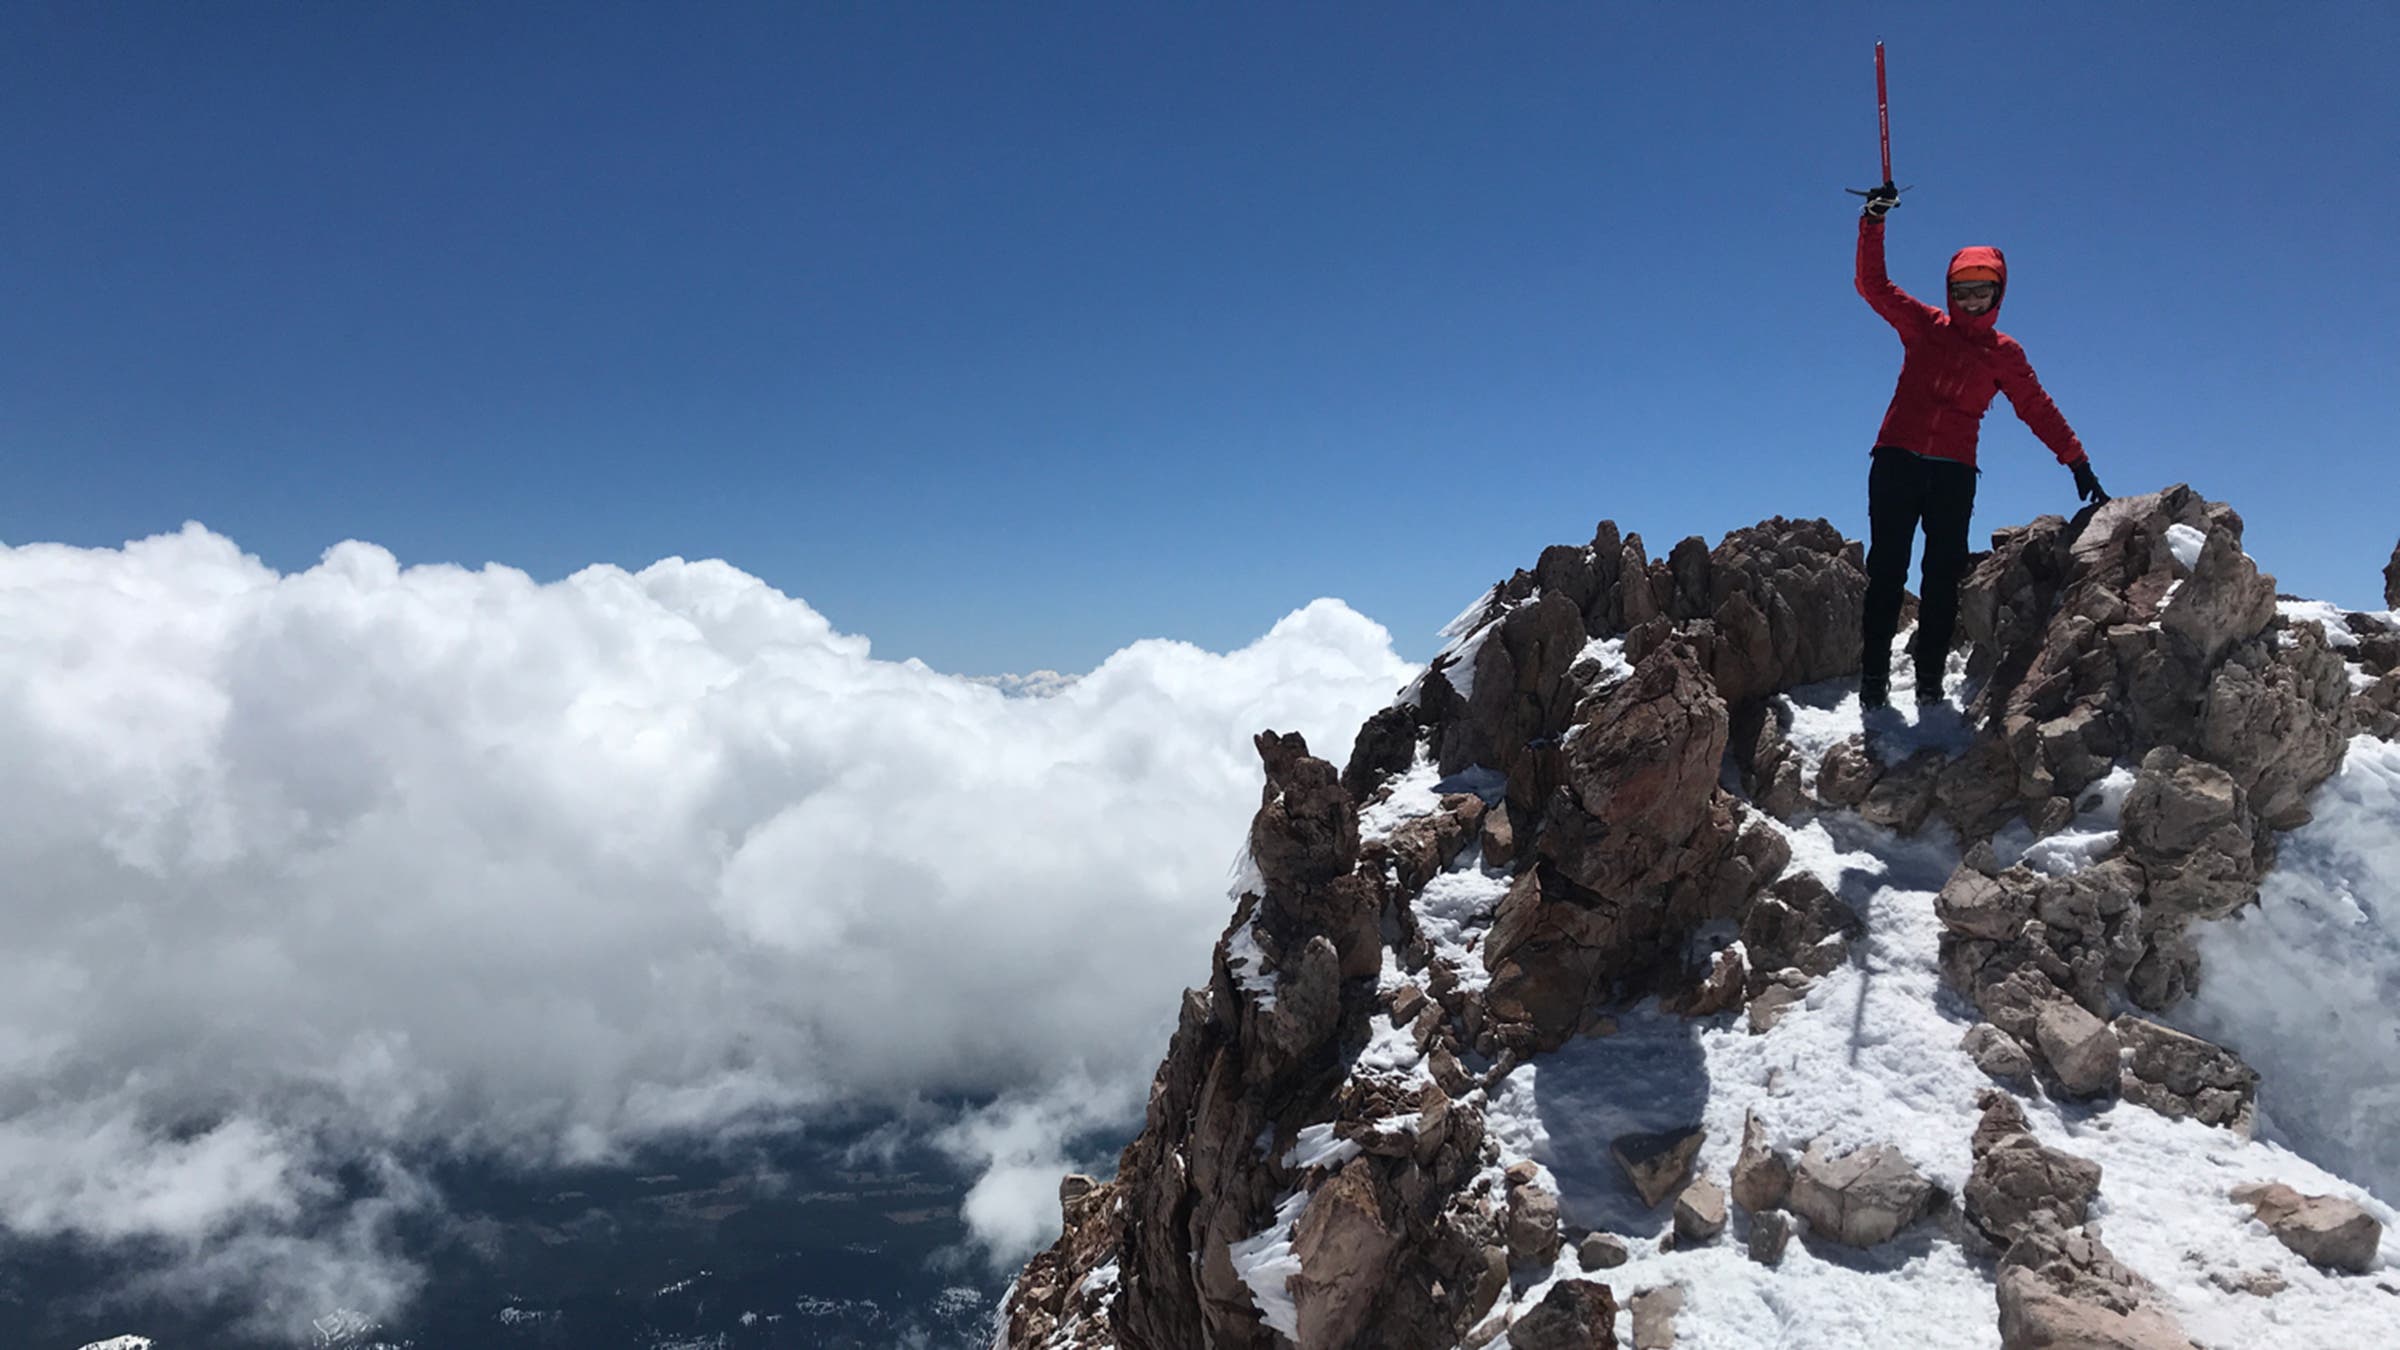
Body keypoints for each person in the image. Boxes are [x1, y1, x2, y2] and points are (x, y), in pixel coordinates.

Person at [1854, 184, 2106, 709]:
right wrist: (1873, 221)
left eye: (1982, 291)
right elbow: (1873, 285)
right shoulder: (1924, 326)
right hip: (1897, 461)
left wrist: (2075, 459)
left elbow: (2037, 407)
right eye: (1963, 290)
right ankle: (1873, 680)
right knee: (1887, 570)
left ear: (1998, 294)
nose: (1971, 300)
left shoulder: (2003, 354)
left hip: (1953, 473)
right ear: (1949, 291)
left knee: (1942, 576)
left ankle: (1928, 683)